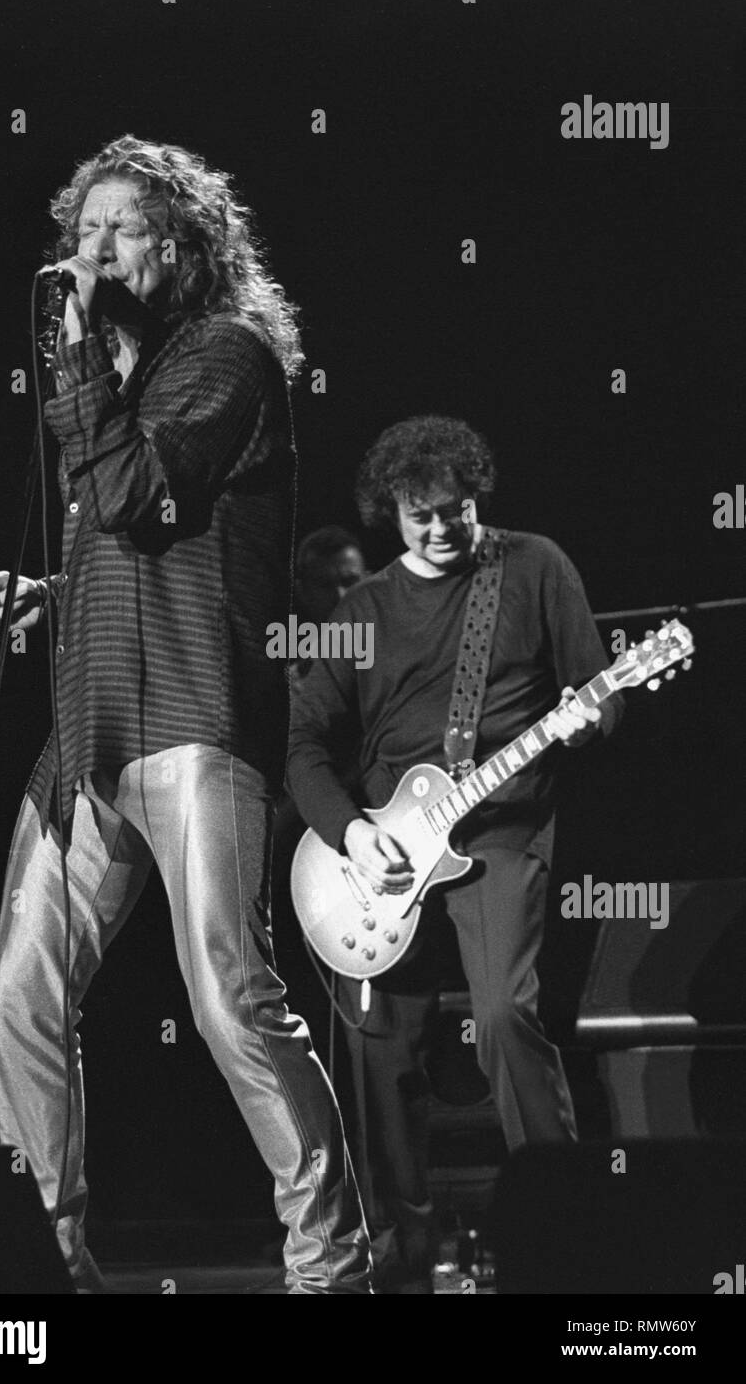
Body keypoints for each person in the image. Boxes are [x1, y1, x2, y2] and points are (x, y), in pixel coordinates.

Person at [0, 134, 370, 1295]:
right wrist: (51, 590)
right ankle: (51, 1268)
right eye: (79, 230)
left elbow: (138, 494)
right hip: (90, 730)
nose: (89, 252)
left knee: (232, 1002)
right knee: (16, 995)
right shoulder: (117, 390)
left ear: (179, 246)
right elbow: (131, 539)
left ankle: (330, 1264)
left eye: (118, 229)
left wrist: (78, 365)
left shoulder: (226, 358)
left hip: (192, 721)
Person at [286, 414, 624, 1292]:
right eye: (417, 516)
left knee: (507, 1017)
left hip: (502, 829)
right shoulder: (358, 612)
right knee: (376, 1044)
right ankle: (404, 1241)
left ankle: (561, 1227)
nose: (439, 530)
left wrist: (591, 716)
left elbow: (597, 690)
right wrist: (352, 833)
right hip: (383, 853)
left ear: (477, 500)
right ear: (388, 513)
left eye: (454, 512)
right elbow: (302, 748)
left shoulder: (535, 566)